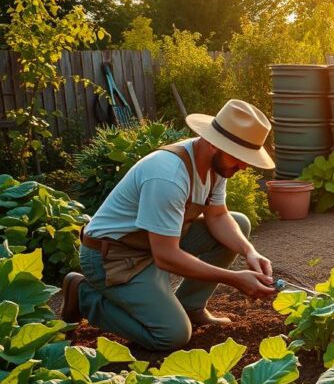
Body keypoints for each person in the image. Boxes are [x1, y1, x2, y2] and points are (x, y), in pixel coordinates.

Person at [60, 99, 278, 350]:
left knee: (239, 223)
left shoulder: (217, 166)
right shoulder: (168, 175)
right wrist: (235, 279)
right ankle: (84, 296)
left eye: (247, 157)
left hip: (152, 245)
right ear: (213, 143)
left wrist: (249, 251)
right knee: (171, 335)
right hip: (113, 256)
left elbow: (217, 216)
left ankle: (190, 306)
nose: (243, 165)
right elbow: (166, 256)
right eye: (238, 157)